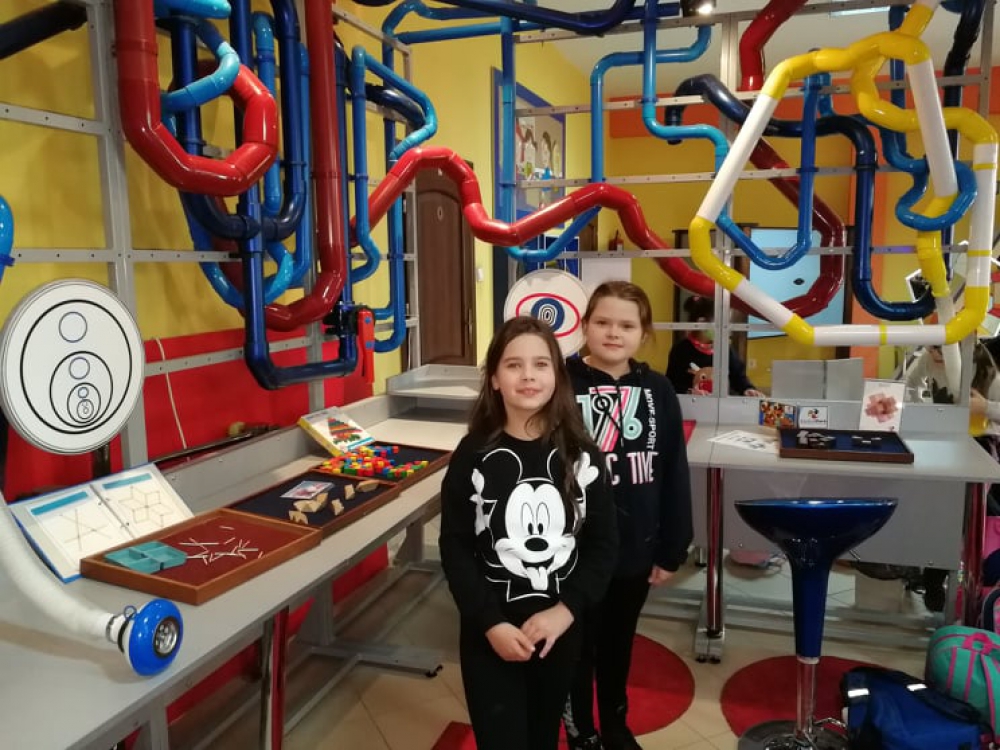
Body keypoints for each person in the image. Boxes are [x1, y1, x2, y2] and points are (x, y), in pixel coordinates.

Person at [439, 315, 618, 750]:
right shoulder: (473, 453)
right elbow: (455, 545)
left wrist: (566, 610)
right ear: (494, 379)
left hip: (558, 630)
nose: (528, 376)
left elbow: (603, 544)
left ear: (557, 376)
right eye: (513, 365)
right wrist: (490, 623)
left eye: (541, 364)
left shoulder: (581, 453)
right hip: (489, 631)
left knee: (541, 737)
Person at [563, 281, 693, 750]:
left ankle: (616, 725)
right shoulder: (560, 383)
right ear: (585, 325)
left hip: (635, 547)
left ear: (643, 332)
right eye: (602, 322)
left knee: (618, 643)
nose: (613, 333)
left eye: (626, 325)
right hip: (572, 551)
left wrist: (672, 547)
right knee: (577, 645)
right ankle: (581, 730)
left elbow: (673, 470)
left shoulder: (658, 390)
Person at [665, 295, 764, 397]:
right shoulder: (680, 350)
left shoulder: (725, 349)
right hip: (692, 404)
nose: (726, 328)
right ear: (702, 323)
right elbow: (671, 384)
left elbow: (739, 378)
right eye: (721, 323)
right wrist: (689, 391)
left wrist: (747, 389)